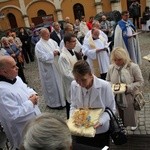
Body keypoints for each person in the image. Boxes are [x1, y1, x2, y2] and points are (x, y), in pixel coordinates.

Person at [70, 60, 116, 148]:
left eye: (83, 80)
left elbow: (112, 109)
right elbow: (73, 105)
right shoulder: (74, 85)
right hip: (80, 130)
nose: (80, 84)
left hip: (100, 130)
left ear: (91, 75)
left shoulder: (105, 86)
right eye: (77, 80)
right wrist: (73, 118)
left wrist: (101, 121)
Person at [0, 56, 41, 149]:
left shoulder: (16, 78)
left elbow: (26, 89)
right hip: (21, 129)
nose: (17, 67)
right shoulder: (2, 90)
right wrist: (31, 103)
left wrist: (34, 94)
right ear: (4, 71)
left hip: (34, 122)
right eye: (13, 67)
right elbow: (13, 116)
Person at [106, 47, 144, 131]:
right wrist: (112, 86)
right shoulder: (111, 68)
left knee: (130, 113)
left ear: (124, 57)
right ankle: (122, 125)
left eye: (119, 59)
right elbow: (107, 80)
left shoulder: (133, 67)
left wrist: (128, 87)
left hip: (129, 96)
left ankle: (134, 122)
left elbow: (140, 82)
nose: (117, 62)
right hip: (116, 96)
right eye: (115, 60)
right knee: (119, 113)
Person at [35, 28, 66, 109]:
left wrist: (57, 51)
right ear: (41, 35)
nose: (48, 35)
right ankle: (54, 104)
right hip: (48, 69)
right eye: (46, 34)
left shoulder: (52, 41)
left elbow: (58, 47)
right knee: (52, 86)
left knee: (60, 84)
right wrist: (52, 54)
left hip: (57, 67)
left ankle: (63, 101)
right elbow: (41, 57)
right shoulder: (39, 45)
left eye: (48, 33)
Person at [58, 33, 78, 119]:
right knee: (71, 104)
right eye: (73, 41)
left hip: (77, 81)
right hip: (70, 84)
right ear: (67, 43)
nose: (75, 43)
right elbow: (67, 73)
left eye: (75, 41)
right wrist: (79, 77)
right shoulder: (63, 56)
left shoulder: (72, 51)